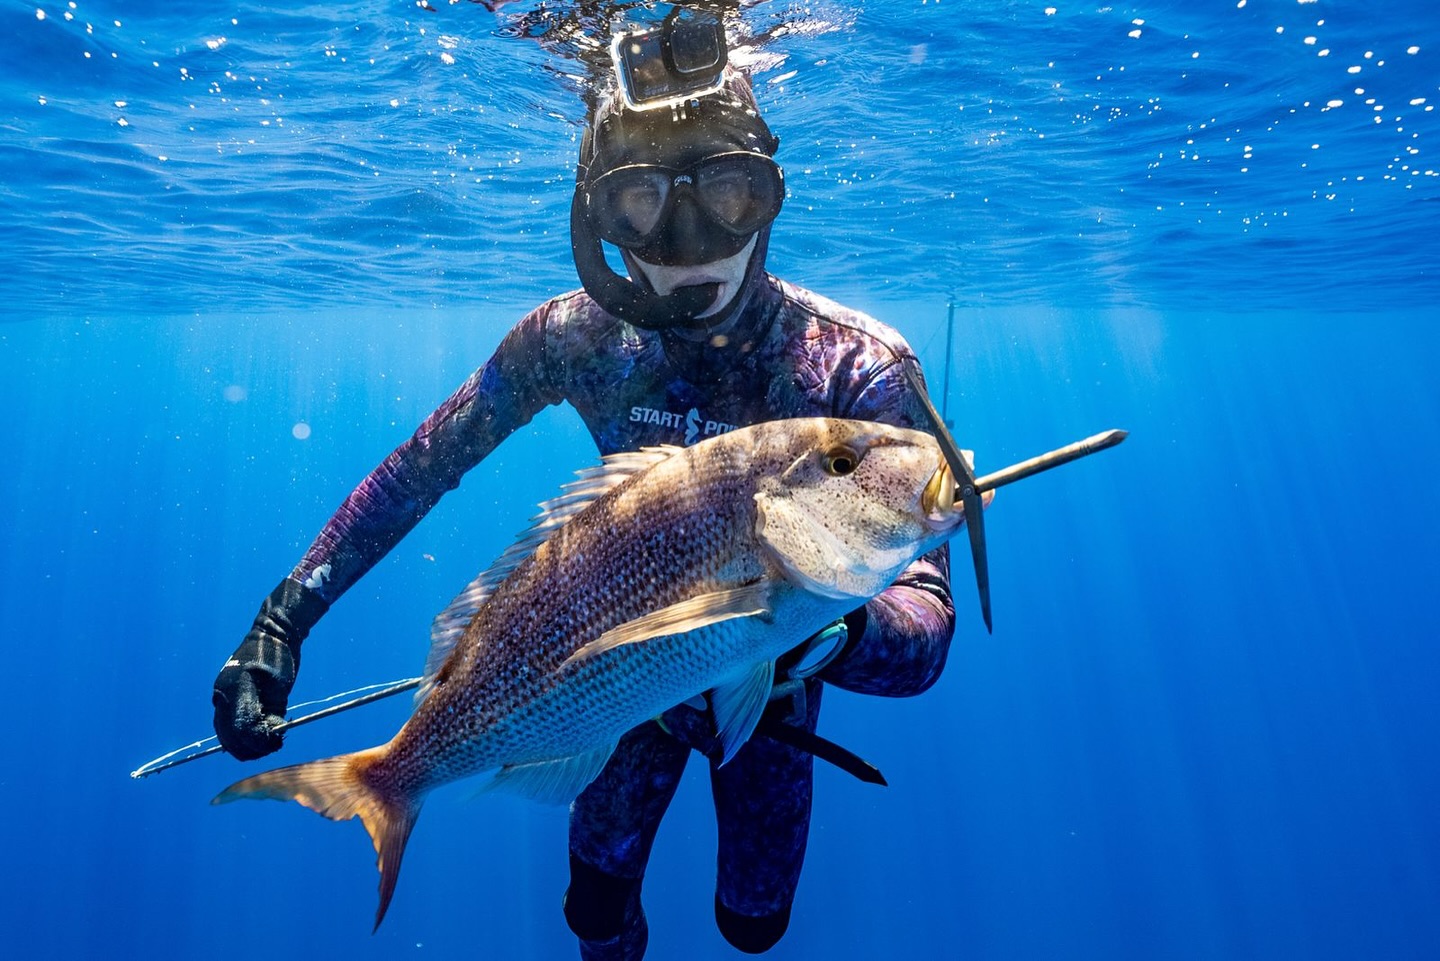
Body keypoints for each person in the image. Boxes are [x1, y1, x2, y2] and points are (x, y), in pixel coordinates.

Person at [212, 27, 955, 959]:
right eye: (641, 201)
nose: (691, 246)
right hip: (602, 697)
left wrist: (835, 631)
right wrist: (285, 616)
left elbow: (926, 634)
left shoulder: (859, 368)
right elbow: (421, 467)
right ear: (594, 218)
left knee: (752, 923)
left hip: (772, 705)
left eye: (727, 191)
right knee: (596, 912)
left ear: (768, 192)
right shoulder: (576, 337)